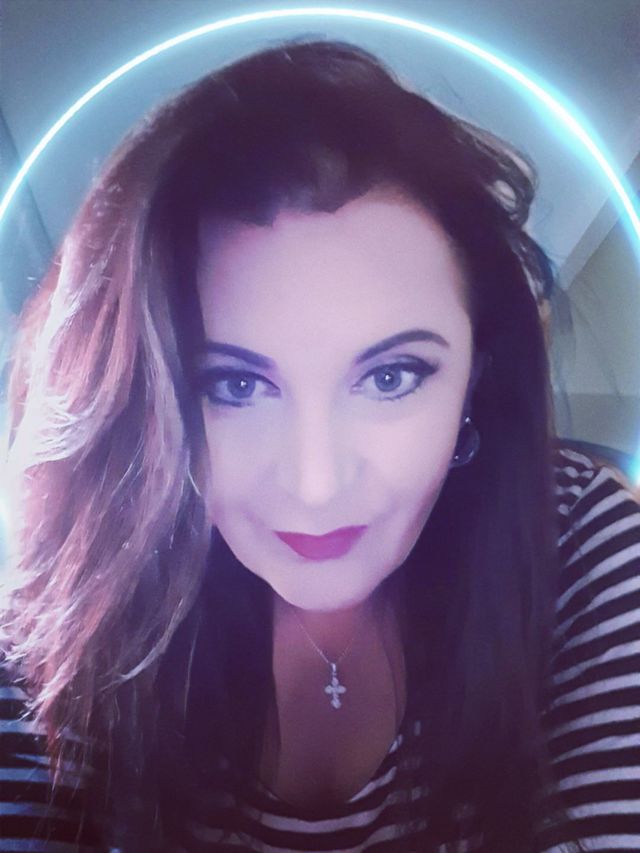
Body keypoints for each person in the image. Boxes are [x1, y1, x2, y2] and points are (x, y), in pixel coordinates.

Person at [1, 38, 638, 853]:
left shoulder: (578, 540)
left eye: (391, 377)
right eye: (234, 385)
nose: (315, 484)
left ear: (475, 373)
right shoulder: (79, 588)